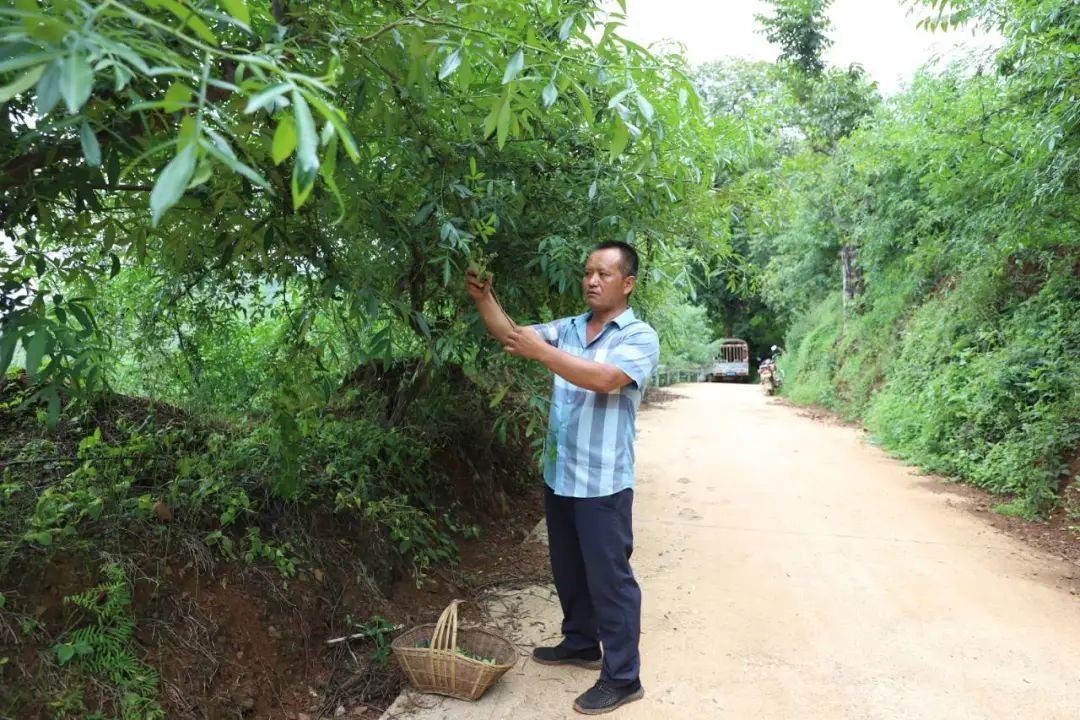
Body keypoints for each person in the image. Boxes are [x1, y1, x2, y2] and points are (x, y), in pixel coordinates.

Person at [466, 240, 660, 715]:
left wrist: (542, 354)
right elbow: (513, 336)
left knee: (610, 580)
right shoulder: (569, 327)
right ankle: (579, 643)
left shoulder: (638, 336)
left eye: (604, 274)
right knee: (569, 571)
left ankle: (622, 677)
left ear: (627, 283)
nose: (592, 281)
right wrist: (483, 299)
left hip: (603, 484)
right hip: (561, 476)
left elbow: (602, 379)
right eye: (588, 272)